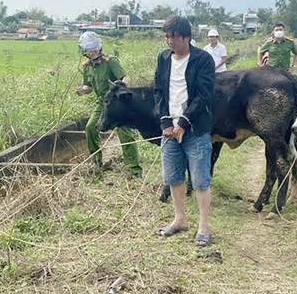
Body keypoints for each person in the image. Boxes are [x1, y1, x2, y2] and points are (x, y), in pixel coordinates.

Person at [154, 15, 215, 247]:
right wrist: (166, 124)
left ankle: (204, 226)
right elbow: (159, 91)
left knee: (200, 180)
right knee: (173, 177)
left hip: (195, 129)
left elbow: (204, 95)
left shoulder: (203, 60)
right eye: (167, 37)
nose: (169, 41)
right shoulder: (163, 58)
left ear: (187, 37)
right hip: (170, 130)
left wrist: (184, 124)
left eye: (174, 37)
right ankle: (179, 219)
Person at [76, 31, 142, 177]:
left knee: (124, 131)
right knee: (90, 128)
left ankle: (134, 170)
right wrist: (82, 90)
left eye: (92, 49)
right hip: (102, 103)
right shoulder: (87, 66)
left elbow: (125, 77)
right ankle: (97, 162)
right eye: (88, 50)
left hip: (117, 103)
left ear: (98, 48)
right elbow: (88, 87)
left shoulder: (110, 62)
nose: (90, 52)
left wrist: (122, 86)